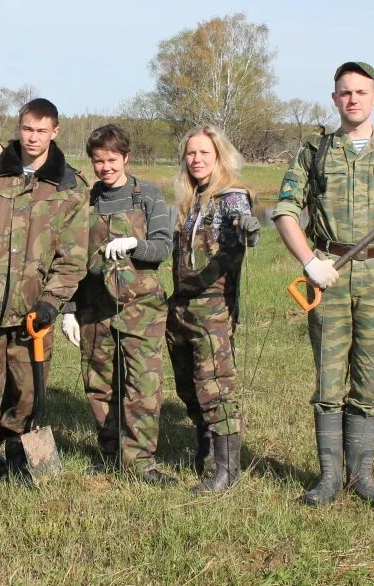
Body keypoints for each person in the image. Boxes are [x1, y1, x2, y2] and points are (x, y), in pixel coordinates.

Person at [273, 62, 374, 512]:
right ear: (334, 98)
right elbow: (285, 210)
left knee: (370, 376)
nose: (353, 99)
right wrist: (309, 261)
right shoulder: (313, 153)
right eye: (345, 92)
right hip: (329, 275)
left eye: (361, 91)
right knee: (328, 378)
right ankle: (327, 479)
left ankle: (362, 478)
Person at [0, 98, 89, 496]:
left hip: (32, 316)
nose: (33, 137)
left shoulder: (69, 187)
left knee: (27, 395)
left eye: (42, 131)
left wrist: (50, 302)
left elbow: (73, 256)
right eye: (28, 128)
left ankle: (18, 460)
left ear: (55, 132)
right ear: (19, 127)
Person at [59, 125, 176, 485]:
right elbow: (70, 258)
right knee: (99, 384)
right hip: (94, 308)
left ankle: (140, 462)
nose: (105, 167)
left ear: (126, 157)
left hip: (141, 309)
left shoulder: (149, 196)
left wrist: (134, 244)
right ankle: (109, 454)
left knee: (142, 385)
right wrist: (68, 310)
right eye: (98, 161)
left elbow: (163, 246)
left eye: (112, 160)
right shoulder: (85, 201)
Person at [166, 126, 260, 494]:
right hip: (182, 305)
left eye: (205, 153)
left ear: (219, 155)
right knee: (189, 385)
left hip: (213, 309)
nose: (197, 160)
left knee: (216, 388)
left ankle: (226, 469)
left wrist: (247, 226)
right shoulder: (191, 198)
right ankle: (205, 448)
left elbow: (240, 218)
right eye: (191, 154)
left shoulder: (230, 196)